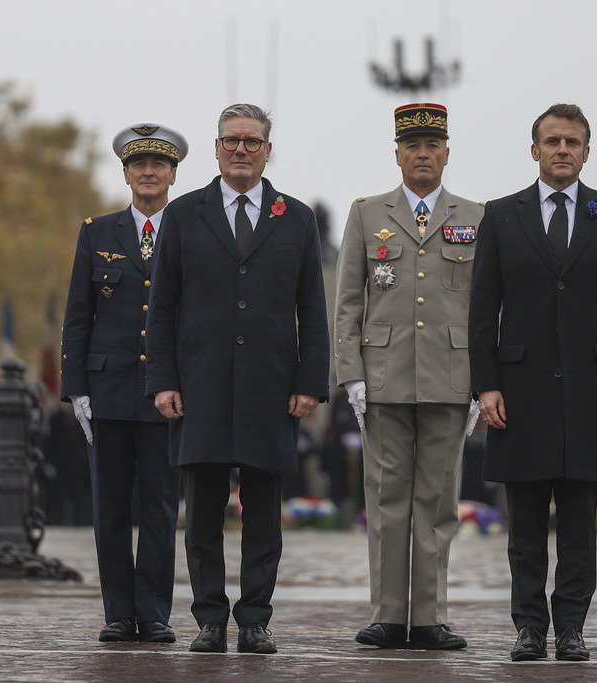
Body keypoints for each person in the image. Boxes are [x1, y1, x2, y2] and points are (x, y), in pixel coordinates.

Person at [146, 103, 329, 655]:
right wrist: (163, 379)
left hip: (269, 387)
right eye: (232, 141)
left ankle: (254, 618)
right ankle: (209, 618)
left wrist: (310, 381)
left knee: (262, 513)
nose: (241, 149)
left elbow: (312, 309)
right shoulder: (182, 216)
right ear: (217, 147)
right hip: (198, 386)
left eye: (252, 141)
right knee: (201, 510)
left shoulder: (295, 218)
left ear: (268, 150)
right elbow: (163, 307)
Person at [469, 103, 597, 662]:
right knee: (523, 525)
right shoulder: (501, 215)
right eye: (551, 141)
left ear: (587, 152)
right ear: (534, 149)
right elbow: (482, 307)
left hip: (590, 392)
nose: (561, 150)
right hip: (519, 392)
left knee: (578, 525)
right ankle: (528, 627)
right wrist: (485, 384)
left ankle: (571, 627)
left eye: (572, 142)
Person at [333, 103, 483, 651]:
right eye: (412, 146)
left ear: (447, 153)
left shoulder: (477, 215)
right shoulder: (368, 213)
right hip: (384, 377)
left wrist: (480, 383)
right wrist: (350, 373)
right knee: (386, 499)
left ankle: (430, 618)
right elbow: (348, 301)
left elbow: (487, 308)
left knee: (439, 503)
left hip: (450, 377)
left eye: (432, 146)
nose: (422, 154)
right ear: (397, 153)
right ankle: (388, 615)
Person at [60, 123, 187, 643]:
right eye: (139, 164)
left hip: (166, 394)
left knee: (159, 508)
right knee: (110, 507)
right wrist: (76, 388)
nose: (149, 172)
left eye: (158, 164)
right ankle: (117, 612)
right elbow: (77, 315)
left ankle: (153, 612)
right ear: (126, 173)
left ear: (174, 173)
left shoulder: (189, 230)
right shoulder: (97, 232)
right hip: (108, 389)